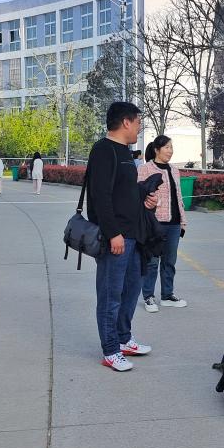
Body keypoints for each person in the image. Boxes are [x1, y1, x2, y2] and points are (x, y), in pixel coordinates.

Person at [87, 101, 158, 372]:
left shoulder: (125, 153)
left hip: (134, 236)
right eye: (138, 122)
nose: (139, 127)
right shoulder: (103, 150)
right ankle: (110, 350)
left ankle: (123, 338)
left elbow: (124, 192)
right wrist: (113, 233)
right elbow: (100, 196)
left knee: (131, 290)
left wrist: (145, 197)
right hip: (116, 238)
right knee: (110, 295)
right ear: (126, 122)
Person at [136, 135, 188, 313]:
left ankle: (167, 295)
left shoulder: (174, 170)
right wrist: (153, 202)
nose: (170, 151)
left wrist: (183, 220)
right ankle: (148, 296)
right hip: (154, 222)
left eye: (171, 147)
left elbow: (178, 196)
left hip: (174, 223)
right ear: (157, 150)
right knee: (152, 261)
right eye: (167, 147)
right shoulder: (145, 169)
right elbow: (138, 194)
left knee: (169, 261)